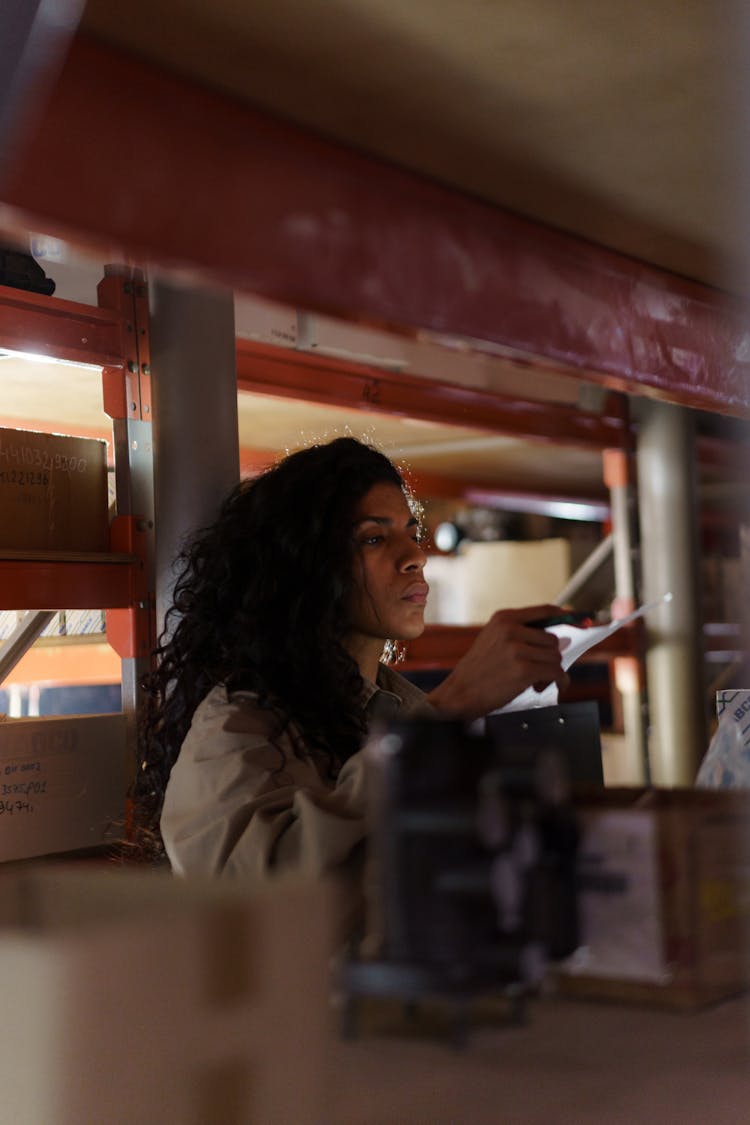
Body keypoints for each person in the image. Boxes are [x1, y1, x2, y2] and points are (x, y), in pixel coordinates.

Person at [135, 436, 568, 912]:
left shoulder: (397, 705)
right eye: (374, 538)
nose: (415, 556)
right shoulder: (239, 720)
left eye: (411, 532)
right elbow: (260, 905)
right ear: (307, 564)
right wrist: (452, 707)